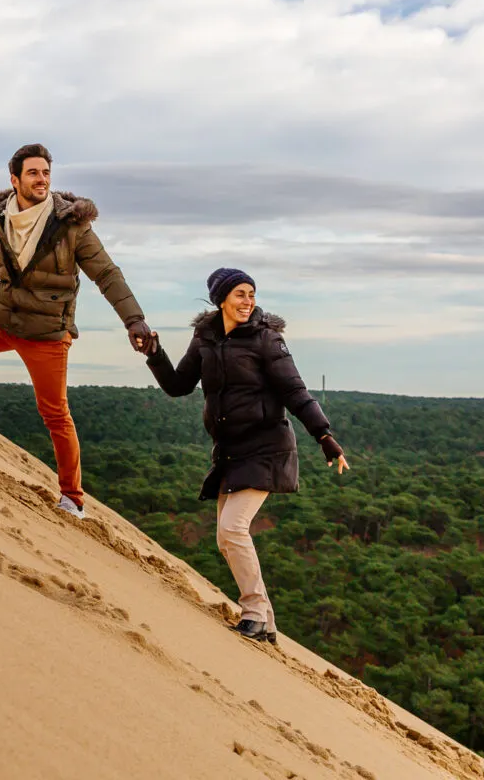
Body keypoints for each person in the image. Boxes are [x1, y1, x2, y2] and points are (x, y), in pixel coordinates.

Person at [0, 144, 156, 520]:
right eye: (33, 173)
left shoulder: (71, 224)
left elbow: (107, 274)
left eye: (46, 173)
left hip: (48, 334)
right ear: (14, 179)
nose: (42, 180)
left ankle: (73, 499)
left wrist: (134, 320)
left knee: (55, 414)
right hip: (5, 322)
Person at [142, 267, 348, 642]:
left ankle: (253, 612)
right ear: (221, 298)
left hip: (267, 447)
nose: (248, 301)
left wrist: (324, 435)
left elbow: (296, 392)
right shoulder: (205, 337)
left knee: (232, 529)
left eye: (251, 294)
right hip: (230, 451)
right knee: (225, 538)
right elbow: (178, 385)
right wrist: (155, 354)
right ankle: (266, 623)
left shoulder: (266, 339)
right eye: (240, 293)